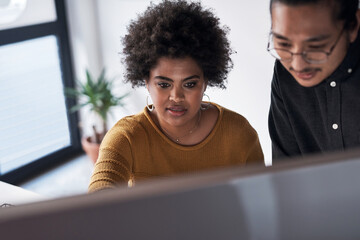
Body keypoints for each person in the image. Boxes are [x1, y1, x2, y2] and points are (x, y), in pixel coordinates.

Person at [89, 0, 264, 192]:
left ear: (205, 82)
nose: (176, 97)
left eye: (189, 84)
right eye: (164, 84)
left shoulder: (238, 133)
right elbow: (102, 186)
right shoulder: (127, 137)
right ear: (146, 81)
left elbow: (262, 198)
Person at [268, 0, 360, 161]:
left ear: (353, 26)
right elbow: (286, 172)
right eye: (283, 44)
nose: (298, 65)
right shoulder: (284, 72)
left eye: (315, 46)